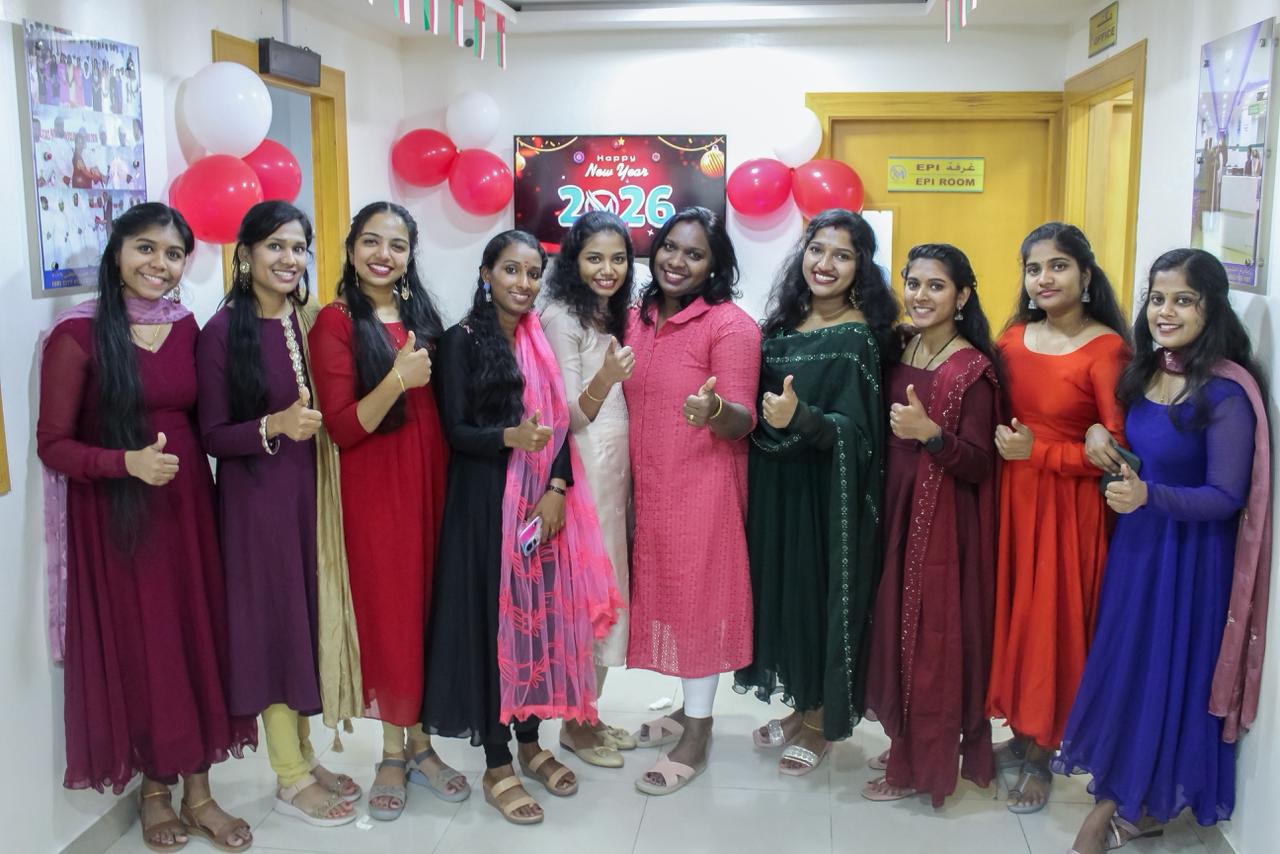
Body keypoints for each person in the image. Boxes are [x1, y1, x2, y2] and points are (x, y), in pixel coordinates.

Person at [37, 203, 256, 852]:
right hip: (119, 523)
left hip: (188, 513)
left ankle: (200, 793)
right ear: (117, 254)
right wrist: (124, 463)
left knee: (196, 641)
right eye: (145, 248)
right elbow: (54, 444)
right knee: (148, 651)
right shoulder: (76, 335)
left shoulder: (186, 327)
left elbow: (213, 414)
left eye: (173, 253)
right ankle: (155, 791)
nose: (159, 264)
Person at [1058, 249, 1271, 853]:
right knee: (1127, 670)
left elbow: (1226, 496)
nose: (1165, 312)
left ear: (1212, 308)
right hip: (1138, 547)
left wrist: (1150, 495)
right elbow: (1134, 449)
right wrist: (1099, 437)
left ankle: (1127, 805)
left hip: (1191, 561)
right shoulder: (1145, 372)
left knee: (1167, 677)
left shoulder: (1225, 393)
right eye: (1157, 298)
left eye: (1183, 300)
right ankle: (1129, 795)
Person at [423, 229, 621, 825]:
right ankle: (495, 761)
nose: (524, 283)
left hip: (541, 506)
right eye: (511, 270)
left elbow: (558, 424)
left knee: (537, 625)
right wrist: (508, 437)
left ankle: (532, 743)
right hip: (484, 506)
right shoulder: (459, 341)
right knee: (495, 631)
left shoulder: (536, 337)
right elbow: (456, 431)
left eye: (534, 273)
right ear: (486, 274)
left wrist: (556, 489)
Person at [197, 201, 361, 828]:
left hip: (311, 494)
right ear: (245, 254)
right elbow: (213, 434)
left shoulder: (309, 319)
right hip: (257, 503)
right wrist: (274, 425)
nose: (289, 259)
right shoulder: (222, 332)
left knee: (307, 621)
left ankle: (306, 755)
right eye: (275, 247)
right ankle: (290, 776)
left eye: (298, 247)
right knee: (274, 628)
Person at [308, 202, 466, 821]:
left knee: (428, 611)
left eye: (397, 245)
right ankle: (393, 754)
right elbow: (344, 428)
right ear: (351, 250)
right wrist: (398, 379)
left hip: (434, 482)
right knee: (393, 616)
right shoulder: (336, 322)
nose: (384, 255)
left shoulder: (424, 317)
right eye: (371, 242)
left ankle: (422, 745)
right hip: (377, 489)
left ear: (409, 255)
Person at [734, 209, 896, 776]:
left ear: (861, 267)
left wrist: (802, 418)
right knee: (785, 597)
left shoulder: (857, 337)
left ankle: (822, 720)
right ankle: (802, 704)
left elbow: (861, 433)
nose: (825, 264)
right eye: (817, 249)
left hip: (828, 495)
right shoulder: (781, 325)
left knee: (819, 597)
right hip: (776, 483)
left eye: (842, 255)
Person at [986, 222, 1131, 813]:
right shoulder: (1012, 338)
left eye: (1058, 266)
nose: (1044, 278)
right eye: (1033, 268)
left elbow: (1118, 452)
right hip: (1011, 499)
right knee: (1015, 620)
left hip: (1067, 511)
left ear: (1086, 276)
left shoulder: (1107, 349)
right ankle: (1021, 734)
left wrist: (1040, 453)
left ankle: (1045, 753)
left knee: (1053, 627)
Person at [625, 207, 762, 795]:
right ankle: (687, 708)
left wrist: (714, 410)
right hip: (648, 486)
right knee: (667, 597)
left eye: (694, 253)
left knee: (698, 602)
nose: (677, 262)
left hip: (703, 488)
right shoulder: (638, 318)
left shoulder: (730, 326)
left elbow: (743, 418)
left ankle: (699, 730)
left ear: (714, 266)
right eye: (670, 247)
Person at [862, 243, 1002, 805]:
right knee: (895, 629)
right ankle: (908, 741)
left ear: (962, 296)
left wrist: (931, 436)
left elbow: (980, 462)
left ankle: (921, 767)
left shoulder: (972, 370)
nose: (921, 295)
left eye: (936, 286)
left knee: (929, 641)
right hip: (896, 504)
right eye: (914, 283)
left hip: (940, 520)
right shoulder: (905, 344)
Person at [540, 211, 640, 768]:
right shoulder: (562, 317)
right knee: (589, 598)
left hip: (612, 472)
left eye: (618, 258)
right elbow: (569, 416)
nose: (608, 269)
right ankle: (575, 726)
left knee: (609, 591)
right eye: (595, 258)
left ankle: (589, 714)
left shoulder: (604, 313)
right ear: (573, 261)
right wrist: (607, 377)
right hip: (585, 471)